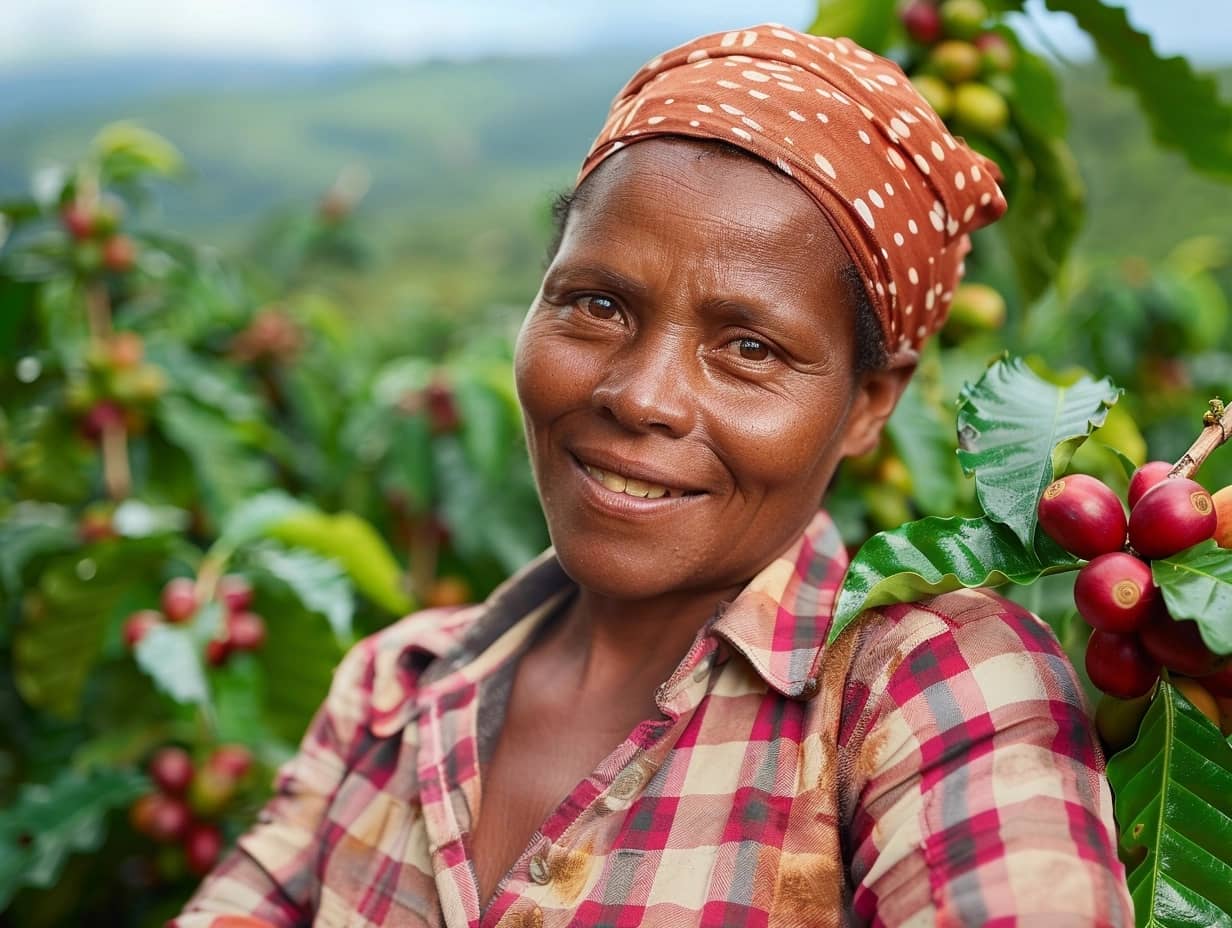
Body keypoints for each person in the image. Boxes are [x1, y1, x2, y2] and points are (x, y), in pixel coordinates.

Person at [174, 24, 1132, 927]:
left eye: (750, 348)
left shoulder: (932, 690)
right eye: (595, 303)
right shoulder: (394, 688)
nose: (642, 396)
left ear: (870, 404)